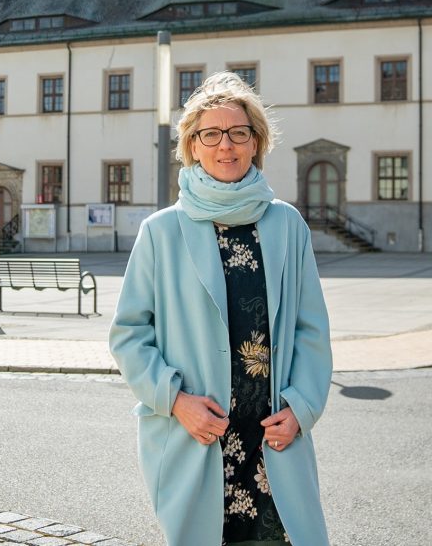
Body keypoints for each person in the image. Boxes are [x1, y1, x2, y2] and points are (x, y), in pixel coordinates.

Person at [109, 71, 332, 546]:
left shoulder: (287, 226)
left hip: (275, 435)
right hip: (199, 434)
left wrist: (303, 407)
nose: (224, 145)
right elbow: (129, 334)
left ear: (256, 143)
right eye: (210, 134)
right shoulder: (160, 232)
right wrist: (174, 401)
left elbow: (312, 329)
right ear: (192, 145)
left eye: (238, 133)